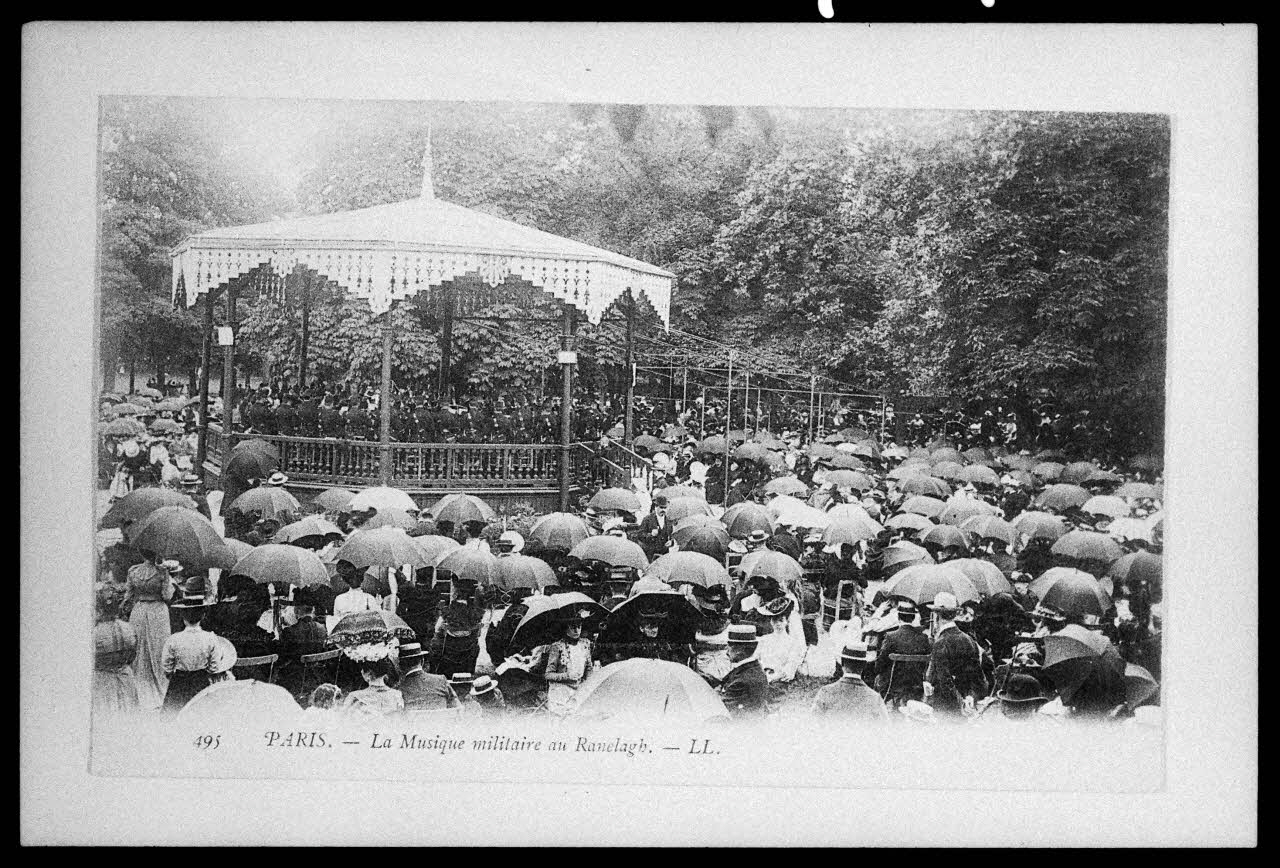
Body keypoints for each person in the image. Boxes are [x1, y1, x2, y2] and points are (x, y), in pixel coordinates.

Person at [123, 557, 179, 711]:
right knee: (158, 648)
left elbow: (128, 596)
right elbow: (167, 595)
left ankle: (137, 692)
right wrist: (168, 577)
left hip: (139, 610)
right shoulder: (162, 571)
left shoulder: (133, 571)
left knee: (138, 648)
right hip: (157, 612)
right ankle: (161, 690)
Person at [924, 592, 989, 718]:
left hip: (946, 707)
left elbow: (945, 682)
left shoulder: (941, 642)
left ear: (936, 615)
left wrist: (961, 705)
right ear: (955, 614)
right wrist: (970, 697)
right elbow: (977, 677)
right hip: (967, 701)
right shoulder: (969, 639)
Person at [159, 593, 221, 715]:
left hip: (179, 683)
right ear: (203, 615)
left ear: (182, 615)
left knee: (174, 715)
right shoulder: (210, 638)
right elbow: (215, 666)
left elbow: (166, 666)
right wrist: (206, 673)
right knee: (202, 715)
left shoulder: (173, 639)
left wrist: (172, 675)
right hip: (201, 682)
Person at [811, 640, 890, 723]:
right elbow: (884, 730)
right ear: (864, 666)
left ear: (842, 663)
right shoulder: (875, 699)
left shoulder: (825, 692)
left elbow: (813, 724)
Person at [873, 599, 932, 707]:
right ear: (913, 618)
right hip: (916, 686)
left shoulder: (891, 636)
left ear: (898, 617)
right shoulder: (923, 638)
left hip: (892, 686)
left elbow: (879, 665)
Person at [93, 582, 140, 715]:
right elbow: (132, 656)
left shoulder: (94, 633)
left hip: (103, 682)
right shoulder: (128, 628)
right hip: (126, 679)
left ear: (99, 610)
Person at [542, 609, 597, 716]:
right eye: (573, 627)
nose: (577, 631)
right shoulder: (557, 647)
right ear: (566, 629)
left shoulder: (585, 644)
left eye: (579, 627)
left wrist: (588, 684)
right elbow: (548, 675)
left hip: (580, 689)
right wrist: (567, 675)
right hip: (561, 691)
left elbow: (589, 668)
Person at [718, 624, 770, 719]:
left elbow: (721, 708)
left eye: (729, 645)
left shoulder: (741, 681)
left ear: (740, 649)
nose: (726, 651)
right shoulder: (754, 669)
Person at [396, 643, 460, 712]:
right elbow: (458, 709)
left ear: (401, 665)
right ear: (422, 661)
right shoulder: (441, 681)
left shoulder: (398, 690)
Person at [637, 494, 673, 560]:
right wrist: (651, 535)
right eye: (661, 507)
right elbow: (640, 535)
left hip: (664, 554)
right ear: (656, 507)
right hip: (651, 554)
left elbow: (672, 535)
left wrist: (671, 542)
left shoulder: (669, 520)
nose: (663, 510)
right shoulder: (647, 519)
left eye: (665, 508)